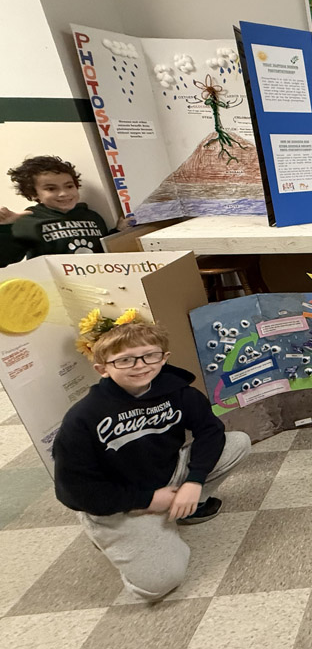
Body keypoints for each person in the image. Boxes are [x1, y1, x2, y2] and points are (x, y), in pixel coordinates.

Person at [52, 322, 251, 601]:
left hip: (168, 475)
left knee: (237, 443)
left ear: (164, 358)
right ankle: (110, 529)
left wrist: (194, 482)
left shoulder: (178, 392)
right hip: (121, 499)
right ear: (102, 369)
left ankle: (181, 508)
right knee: (159, 583)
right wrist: (146, 501)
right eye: (125, 360)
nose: (140, 366)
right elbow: (73, 489)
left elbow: (210, 431)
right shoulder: (82, 418)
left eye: (150, 355)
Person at [1, 155, 111, 267]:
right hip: (52, 277)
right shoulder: (30, 222)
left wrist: (118, 231)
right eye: (51, 189)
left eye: (69, 186)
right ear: (33, 194)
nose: (64, 193)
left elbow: (107, 252)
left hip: (94, 273)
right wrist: (5, 227)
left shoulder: (92, 217)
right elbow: (4, 258)